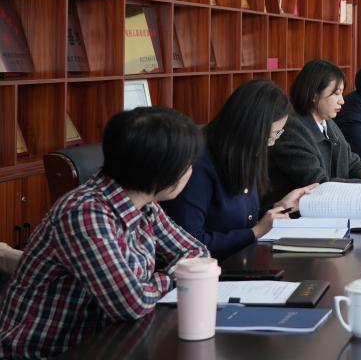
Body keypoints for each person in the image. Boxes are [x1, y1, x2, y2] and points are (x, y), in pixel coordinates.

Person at [0, 107, 209, 358]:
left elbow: (198, 252)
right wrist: (179, 275)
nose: (191, 171)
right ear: (160, 172)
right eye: (187, 165)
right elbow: (130, 304)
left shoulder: (144, 205)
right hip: (45, 353)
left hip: (105, 343)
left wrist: (158, 280)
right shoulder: (84, 214)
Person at [162, 80, 319, 259]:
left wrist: (281, 207)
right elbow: (191, 243)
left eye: (277, 134)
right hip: (209, 268)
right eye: (271, 135)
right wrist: (255, 232)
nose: (272, 143)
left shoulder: (243, 156)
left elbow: (241, 220)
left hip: (241, 260)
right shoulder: (198, 164)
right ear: (251, 129)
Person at [267, 60, 361, 202]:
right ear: (314, 95)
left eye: (342, 93)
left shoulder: (327, 121)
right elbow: (319, 185)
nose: (342, 100)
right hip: (296, 213)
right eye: (336, 94)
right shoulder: (292, 129)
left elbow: (351, 159)